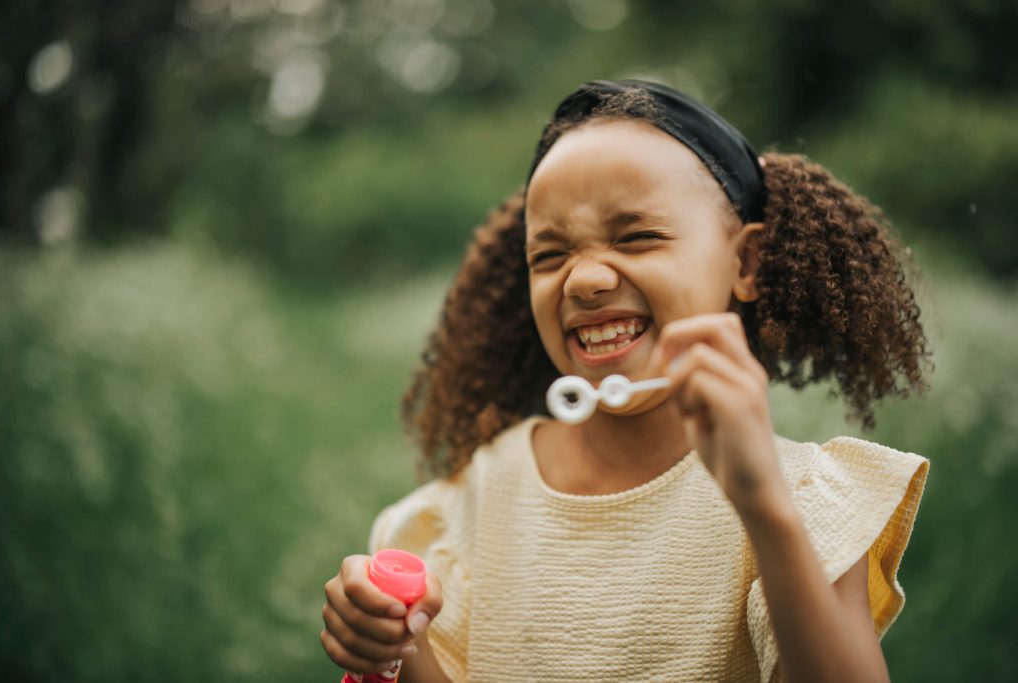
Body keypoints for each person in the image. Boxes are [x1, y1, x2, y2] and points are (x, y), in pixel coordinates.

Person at [320, 80, 931, 682]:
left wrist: (763, 505)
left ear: (746, 262)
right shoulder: (472, 505)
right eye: (549, 256)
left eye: (637, 237)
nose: (584, 280)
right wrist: (390, 651)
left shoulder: (798, 500)